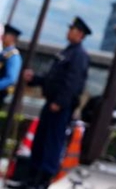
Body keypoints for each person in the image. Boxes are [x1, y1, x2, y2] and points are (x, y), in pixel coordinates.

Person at [23, 16, 92, 189]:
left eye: (72, 29)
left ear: (80, 33)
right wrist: (35, 79)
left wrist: (60, 102)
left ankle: (42, 181)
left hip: (60, 107)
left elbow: (73, 83)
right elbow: (52, 78)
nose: (69, 32)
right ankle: (31, 180)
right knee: (40, 141)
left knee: (52, 143)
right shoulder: (67, 51)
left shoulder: (79, 55)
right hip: (51, 103)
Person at [0, 24, 23, 104]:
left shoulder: (13, 55)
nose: (2, 37)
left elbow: (11, 78)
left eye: (5, 35)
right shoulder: (4, 53)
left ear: (12, 38)